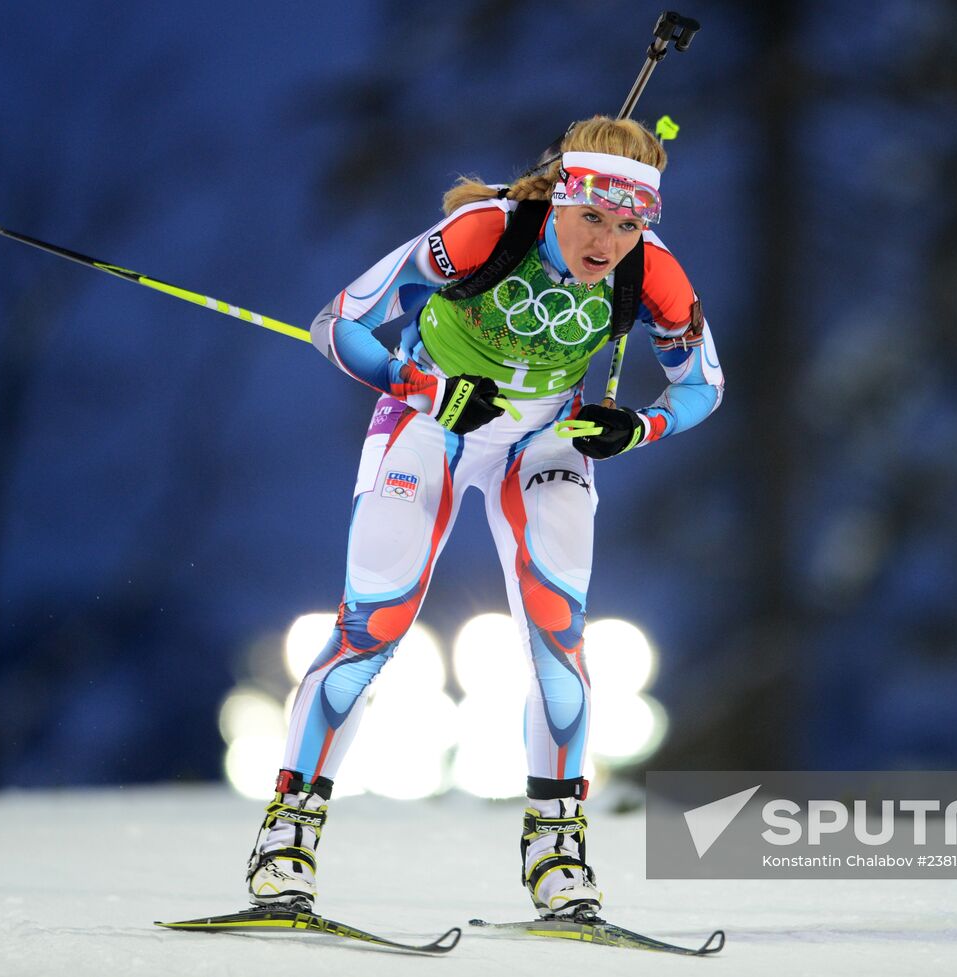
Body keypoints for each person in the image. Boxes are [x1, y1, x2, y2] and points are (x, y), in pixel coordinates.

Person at [244, 116, 724, 920]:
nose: (609, 243)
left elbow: (704, 384)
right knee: (374, 624)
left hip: (542, 442)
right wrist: (422, 385)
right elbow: (337, 324)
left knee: (557, 633)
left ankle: (557, 857)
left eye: (631, 223)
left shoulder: (653, 273)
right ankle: (286, 842)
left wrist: (638, 425)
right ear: (561, 199)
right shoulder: (483, 233)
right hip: (433, 425)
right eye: (594, 218)